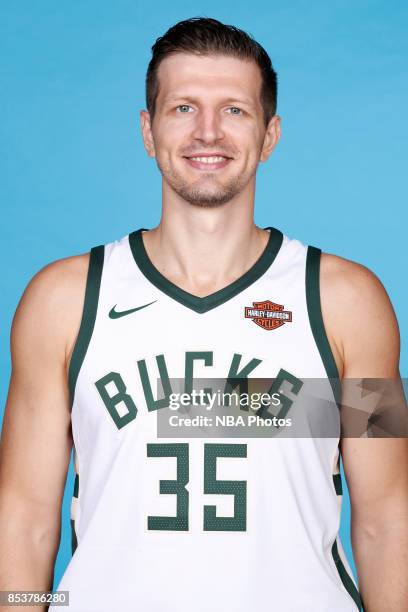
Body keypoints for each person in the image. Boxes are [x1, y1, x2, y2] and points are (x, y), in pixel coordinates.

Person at [0, 16, 407, 612]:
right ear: (148, 130)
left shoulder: (347, 302)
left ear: (270, 135)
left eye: (235, 110)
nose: (208, 132)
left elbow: (386, 517)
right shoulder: (63, 301)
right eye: (183, 108)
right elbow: (25, 519)